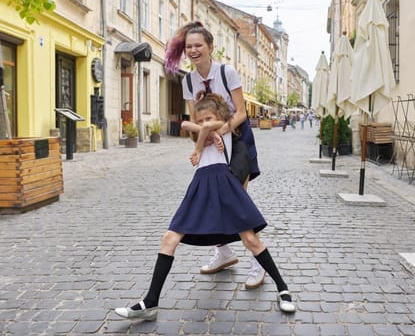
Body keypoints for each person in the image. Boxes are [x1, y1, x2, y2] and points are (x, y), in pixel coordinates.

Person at [113, 92, 296, 321]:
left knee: (250, 239)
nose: (203, 124)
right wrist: (201, 138)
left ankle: (283, 289)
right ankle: (150, 302)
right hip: (200, 184)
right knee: (169, 238)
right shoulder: (203, 133)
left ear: (219, 115)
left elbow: (213, 125)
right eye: (199, 120)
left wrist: (206, 133)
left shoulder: (227, 127)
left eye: (208, 118)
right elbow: (185, 123)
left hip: (224, 184)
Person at [164, 21, 265, 289]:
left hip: (238, 139)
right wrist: (202, 136)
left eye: (199, 45)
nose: (194, 50)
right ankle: (224, 253)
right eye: (189, 47)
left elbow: (241, 112)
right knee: (214, 197)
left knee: (237, 199)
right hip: (208, 140)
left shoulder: (226, 71)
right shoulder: (188, 80)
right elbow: (193, 117)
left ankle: (258, 262)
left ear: (210, 47)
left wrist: (221, 130)